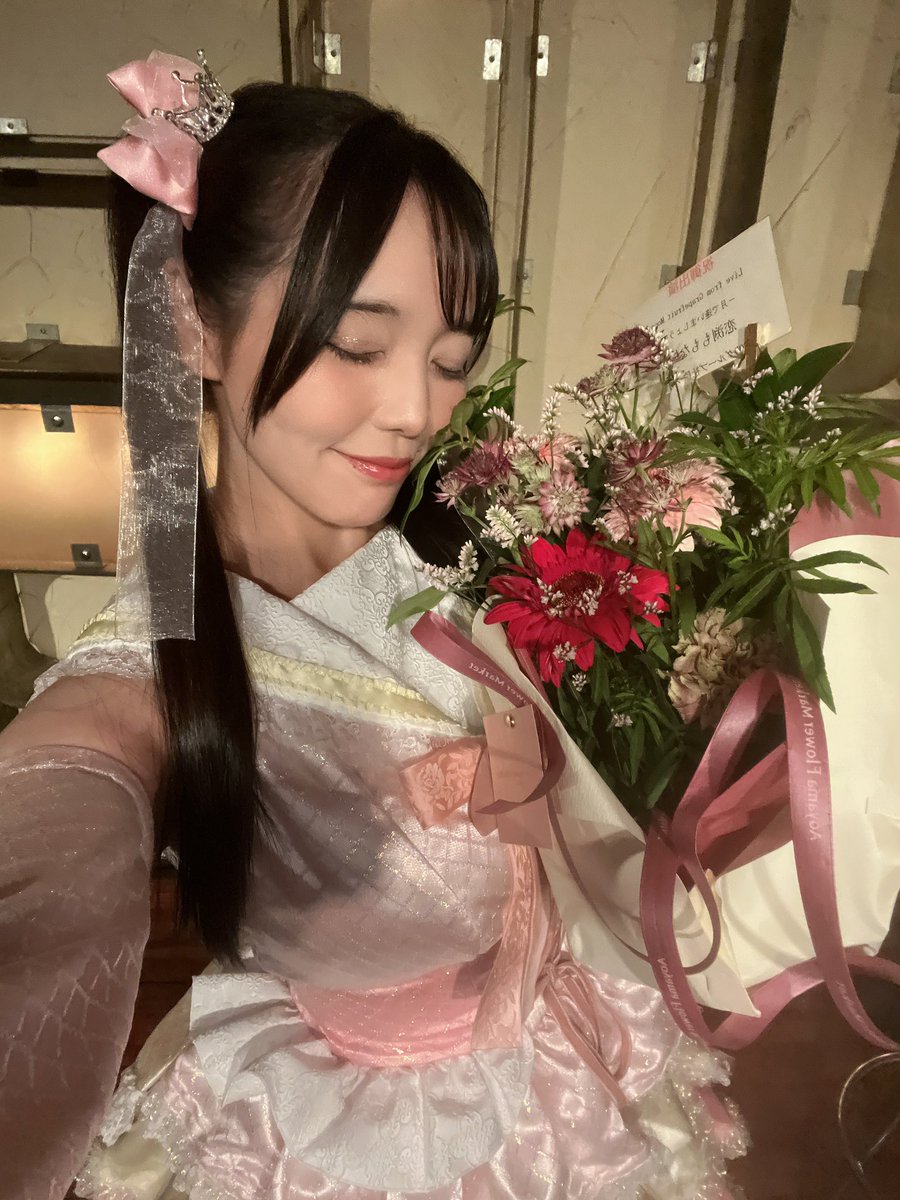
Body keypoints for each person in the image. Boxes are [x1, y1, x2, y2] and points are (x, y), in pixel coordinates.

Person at [0, 50, 747, 1200]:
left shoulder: (454, 556)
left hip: (559, 1061)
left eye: (451, 361)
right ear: (192, 320)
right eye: (357, 344)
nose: (415, 411)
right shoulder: (152, 674)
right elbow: (55, 829)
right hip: (345, 1128)